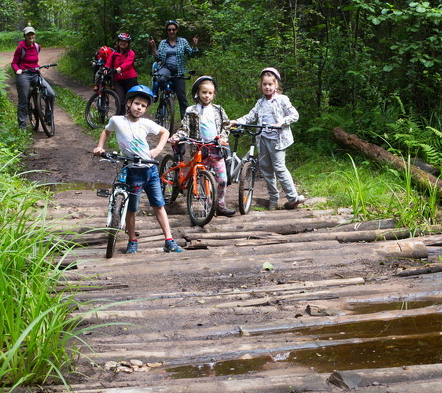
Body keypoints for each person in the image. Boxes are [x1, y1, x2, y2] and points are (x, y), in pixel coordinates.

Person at [92, 85, 183, 254]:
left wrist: (156, 150)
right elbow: (106, 131)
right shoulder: (117, 121)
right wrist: (100, 147)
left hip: (150, 170)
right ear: (128, 103)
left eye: (143, 106)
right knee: (131, 208)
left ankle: (169, 239)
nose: (139, 108)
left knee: (158, 205)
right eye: (136, 104)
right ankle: (132, 239)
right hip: (132, 171)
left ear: (146, 109)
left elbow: (164, 132)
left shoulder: (146, 123)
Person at [231, 67, 303, 210]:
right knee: (266, 170)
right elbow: (251, 116)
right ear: (261, 86)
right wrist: (237, 121)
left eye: (270, 84)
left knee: (280, 169)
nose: (267, 87)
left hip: (278, 141)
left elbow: (294, 115)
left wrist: (280, 123)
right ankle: (273, 199)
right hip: (262, 139)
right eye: (265, 84)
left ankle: (293, 198)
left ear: (276, 85)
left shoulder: (282, 100)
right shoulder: (260, 102)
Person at [170, 76, 235, 217]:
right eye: (204, 92)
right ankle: (208, 205)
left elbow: (226, 126)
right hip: (200, 149)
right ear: (197, 93)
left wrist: (223, 138)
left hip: (216, 148)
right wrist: (177, 136)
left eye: (210, 93)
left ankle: (221, 204)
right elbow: (185, 128)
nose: (207, 96)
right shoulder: (191, 110)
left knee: (222, 179)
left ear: (214, 94)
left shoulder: (218, 110)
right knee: (203, 178)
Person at [148, 19, 199, 123]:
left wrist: (194, 45)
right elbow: (158, 58)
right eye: (169, 30)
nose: (171, 32)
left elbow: (191, 54)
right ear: (167, 31)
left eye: (173, 29)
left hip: (179, 70)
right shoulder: (163, 43)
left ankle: (186, 123)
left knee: (182, 98)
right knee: (160, 80)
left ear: (177, 30)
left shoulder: (183, 41)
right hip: (166, 67)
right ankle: (162, 98)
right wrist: (153, 48)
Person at [11, 26, 56, 129]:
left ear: (34, 35)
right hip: (23, 75)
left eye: (32, 34)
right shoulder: (20, 48)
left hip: (35, 74)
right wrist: (17, 70)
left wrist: (37, 67)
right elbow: (14, 63)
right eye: (28, 34)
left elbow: (34, 61)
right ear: (25, 36)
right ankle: (22, 125)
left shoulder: (37, 47)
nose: (30, 36)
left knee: (51, 94)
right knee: (23, 100)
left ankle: (49, 116)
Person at [107, 32, 138, 111]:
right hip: (118, 81)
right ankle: (120, 119)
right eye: (121, 41)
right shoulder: (114, 54)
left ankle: (132, 119)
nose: (123, 43)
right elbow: (108, 64)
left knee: (132, 101)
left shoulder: (131, 53)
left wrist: (120, 68)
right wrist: (105, 69)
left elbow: (128, 62)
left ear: (128, 43)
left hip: (130, 79)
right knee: (120, 101)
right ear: (118, 42)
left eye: (125, 41)